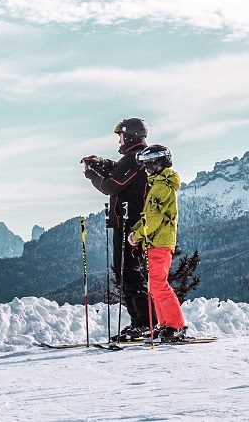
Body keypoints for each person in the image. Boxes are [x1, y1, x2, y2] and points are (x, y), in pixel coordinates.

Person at [81, 117, 153, 341]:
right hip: (126, 224)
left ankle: (144, 323)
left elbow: (111, 185)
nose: (119, 140)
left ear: (129, 135)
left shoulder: (134, 158)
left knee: (130, 273)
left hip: (130, 226)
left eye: (120, 135)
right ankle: (141, 322)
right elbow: (118, 171)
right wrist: (102, 162)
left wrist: (92, 174)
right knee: (125, 273)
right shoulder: (135, 158)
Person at [128, 144, 187, 343]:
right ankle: (166, 325)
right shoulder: (157, 185)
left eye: (149, 165)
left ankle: (175, 326)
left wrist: (136, 235)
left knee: (159, 285)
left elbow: (153, 219)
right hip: (154, 242)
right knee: (155, 286)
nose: (146, 169)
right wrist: (135, 230)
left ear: (159, 163)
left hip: (160, 242)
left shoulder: (161, 187)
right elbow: (147, 217)